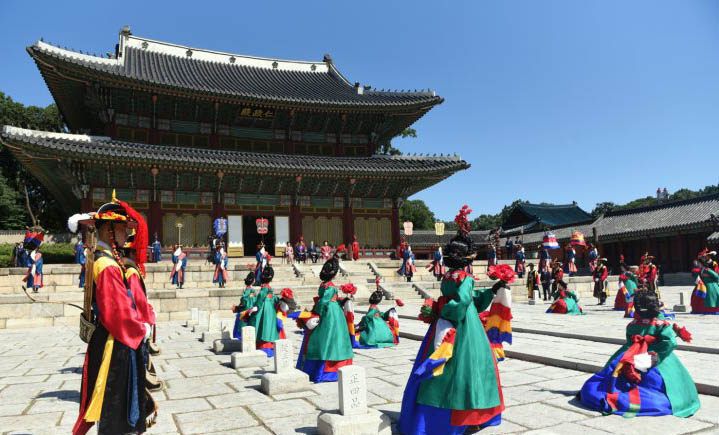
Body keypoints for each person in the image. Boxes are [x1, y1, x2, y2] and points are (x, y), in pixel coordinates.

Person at [400, 205, 504, 434]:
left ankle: (426, 419)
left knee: (439, 363)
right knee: (469, 369)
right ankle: (465, 417)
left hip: (445, 321)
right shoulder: (465, 277)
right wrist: (449, 311)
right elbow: (466, 301)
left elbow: (470, 299)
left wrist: (441, 311)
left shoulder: (448, 276)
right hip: (464, 327)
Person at [72, 194, 155, 435]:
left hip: (115, 337)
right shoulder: (107, 265)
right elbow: (116, 311)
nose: (125, 234)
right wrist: (141, 327)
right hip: (116, 340)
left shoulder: (106, 260)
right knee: (116, 402)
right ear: (109, 230)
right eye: (121, 229)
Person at [578, 290, 700, 418]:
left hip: (631, 355)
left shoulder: (632, 324)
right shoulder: (662, 325)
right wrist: (655, 355)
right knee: (670, 385)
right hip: (656, 356)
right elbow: (670, 343)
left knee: (612, 374)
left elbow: (629, 341)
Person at [296, 257, 354, 382]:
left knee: (324, 338)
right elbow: (323, 301)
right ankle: (328, 371)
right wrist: (317, 312)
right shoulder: (331, 287)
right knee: (334, 340)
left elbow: (323, 299)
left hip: (330, 309)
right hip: (332, 314)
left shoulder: (323, 285)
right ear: (334, 274)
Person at [245, 265, 285, 357]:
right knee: (268, 327)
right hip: (270, 309)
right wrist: (279, 301)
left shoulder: (265, 288)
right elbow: (274, 297)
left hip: (263, 308)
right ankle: (269, 347)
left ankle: (263, 347)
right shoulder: (269, 287)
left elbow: (260, 297)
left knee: (261, 325)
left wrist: (256, 306)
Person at [482, 264, 515, 362]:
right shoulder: (504, 289)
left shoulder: (504, 289)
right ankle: (496, 352)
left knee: (495, 328)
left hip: (498, 312)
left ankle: (496, 352)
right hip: (496, 311)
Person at [691, 250, 719, 314]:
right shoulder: (704, 270)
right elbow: (716, 276)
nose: (698, 264)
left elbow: (716, 275)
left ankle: (707, 309)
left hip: (708, 285)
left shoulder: (705, 269)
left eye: (699, 263)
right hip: (706, 285)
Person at [232, 271, 257, 339]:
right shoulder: (249, 290)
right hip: (248, 309)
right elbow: (244, 299)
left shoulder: (250, 289)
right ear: (253, 280)